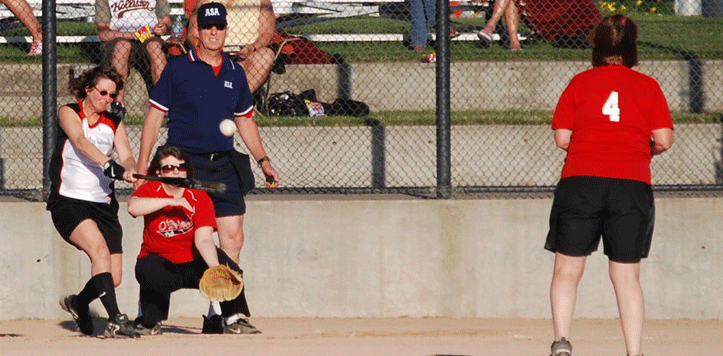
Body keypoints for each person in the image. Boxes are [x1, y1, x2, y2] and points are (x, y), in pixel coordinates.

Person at [135, 2, 279, 333]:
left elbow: (245, 120)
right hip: (185, 168)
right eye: (207, 27)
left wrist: (263, 159)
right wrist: (143, 166)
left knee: (232, 239)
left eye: (219, 27)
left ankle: (222, 312)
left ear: (227, 31)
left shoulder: (234, 71)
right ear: (196, 32)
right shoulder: (177, 69)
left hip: (224, 166)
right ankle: (149, 312)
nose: (214, 33)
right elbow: (155, 117)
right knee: (171, 238)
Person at [545, 15, 674, 356]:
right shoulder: (648, 86)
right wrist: (636, 150)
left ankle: (562, 341)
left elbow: (562, 137)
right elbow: (663, 139)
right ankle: (634, 351)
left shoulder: (579, 82)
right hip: (631, 183)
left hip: (581, 180)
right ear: (633, 49)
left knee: (568, 268)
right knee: (626, 275)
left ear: (595, 48)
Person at [48, 66, 140, 338]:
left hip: (103, 204)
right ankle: (116, 319)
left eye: (112, 95)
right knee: (98, 250)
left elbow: (127, 156)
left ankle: (79, 303)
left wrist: (130, 169)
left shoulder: (114, 123)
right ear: (88, 89)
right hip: (70, 201)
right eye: (102, 92)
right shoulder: (69, 112)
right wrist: (108, 164)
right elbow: (79, 141)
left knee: (113, 278)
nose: (107, 99)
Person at [129, 146, 259, 335]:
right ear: (158, 172)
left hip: (192, 261)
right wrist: (170, 201)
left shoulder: (199, 197)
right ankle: (149, 320)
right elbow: (133, 208)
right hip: (160, 261)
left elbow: (204, 240)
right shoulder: (151, 188)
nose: (175, 171)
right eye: (168, 168)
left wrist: (216, 268)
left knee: (229, 269)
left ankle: (230, 318)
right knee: (151, 270)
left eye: (180, 167)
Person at [95, 0, 172, 118]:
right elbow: (103, 33)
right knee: (123, 46)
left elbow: (167, 22)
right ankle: (118, 104)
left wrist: (163, 28)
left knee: (154, 47)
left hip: (149, 37)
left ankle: (164, 103)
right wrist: (133, 35)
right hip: (119, 39)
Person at [184, 0, 276, 94]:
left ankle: (232, 101)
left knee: (266, 55)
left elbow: (267, 33)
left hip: (246, 56)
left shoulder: (262, 2)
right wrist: (207, 47)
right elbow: (192, 35)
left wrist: (253, 47)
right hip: (212, 53)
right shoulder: (205, 1)